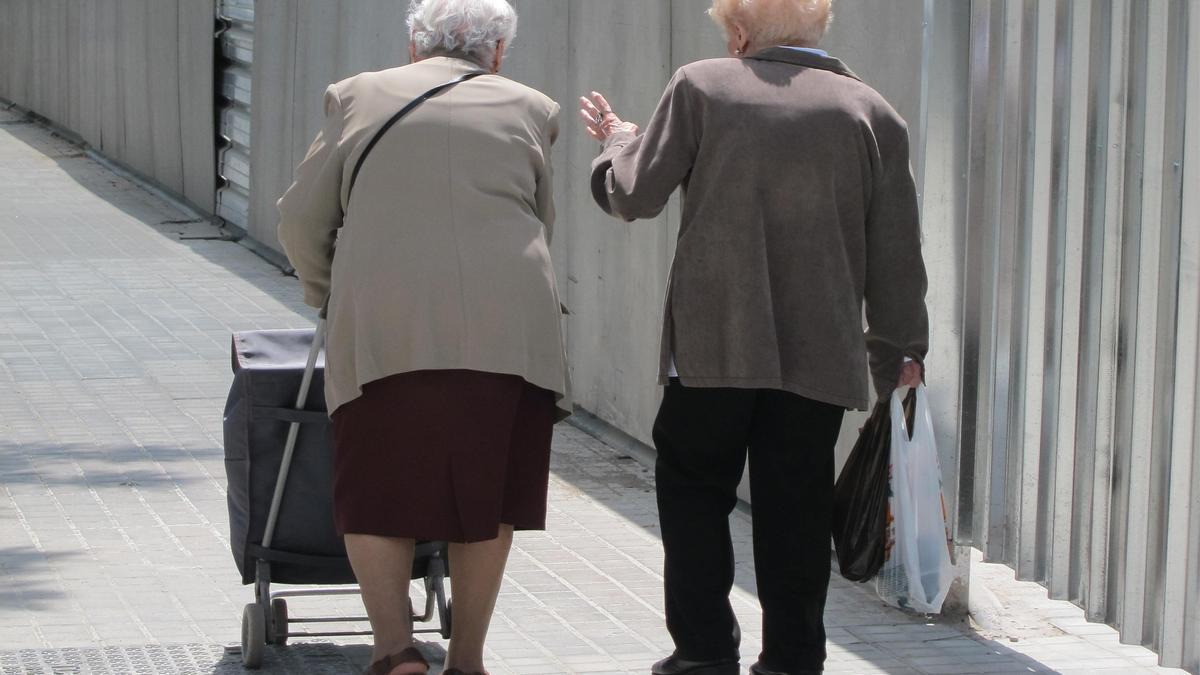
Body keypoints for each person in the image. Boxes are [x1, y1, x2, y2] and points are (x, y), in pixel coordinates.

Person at [579, 0, 927, 673]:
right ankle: (794, 657)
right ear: (818, 27)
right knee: (797, 507)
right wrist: (900, 351)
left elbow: (631, 193)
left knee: (693, 493)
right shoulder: (872, 113)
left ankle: (705, 652)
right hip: (819, 354)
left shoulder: (702, 86)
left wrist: (619, 140)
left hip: (712, 348)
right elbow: (896, 253)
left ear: (739, 34)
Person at [276, 1, 569, 673]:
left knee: (376, 482)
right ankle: (466, 658)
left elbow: (299, 219)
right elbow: (540, 219)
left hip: (386, 321)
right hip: (508, 327)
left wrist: (331, 293)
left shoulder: (358, 96)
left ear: (414, 43)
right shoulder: (533, 108)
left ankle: (395, 651)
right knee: (489, 493)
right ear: (497, 53)